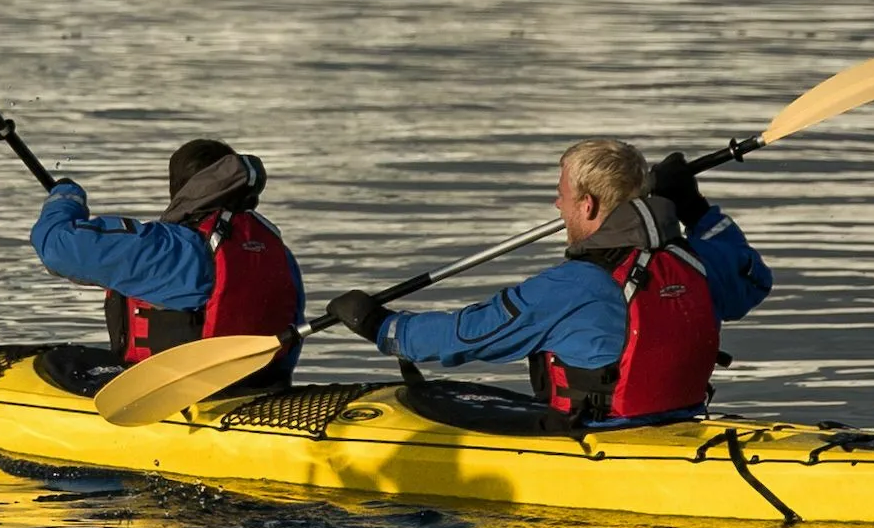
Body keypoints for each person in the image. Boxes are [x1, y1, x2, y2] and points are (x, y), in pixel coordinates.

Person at [322, 138, 772, 427]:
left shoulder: (574, 286)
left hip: (601, 440)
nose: (557, 206)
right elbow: (752, 277)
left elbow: (469, 334)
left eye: (562, 194)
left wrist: (380, 326)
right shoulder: (692, 261)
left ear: (590, 205)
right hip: (683, 423)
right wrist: (696, 209)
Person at [30, 136, 304, 396]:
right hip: (265, 385)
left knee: (59, 361)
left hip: (180, 395)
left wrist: (66, 198)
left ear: (178, 189)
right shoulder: (273, 247)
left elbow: (57, 247)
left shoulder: (171, 249)